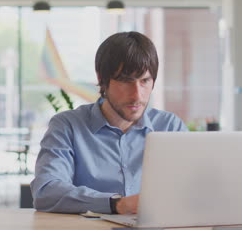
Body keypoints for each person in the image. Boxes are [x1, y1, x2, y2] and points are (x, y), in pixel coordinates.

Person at [30, 31, 187, 215]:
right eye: (125, 81)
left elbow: (194, 187)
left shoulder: (170, 127)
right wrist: (116, 204)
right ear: (102, 80)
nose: (137, 95)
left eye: (145, 80)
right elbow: (46, 191)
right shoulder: (67, 126)